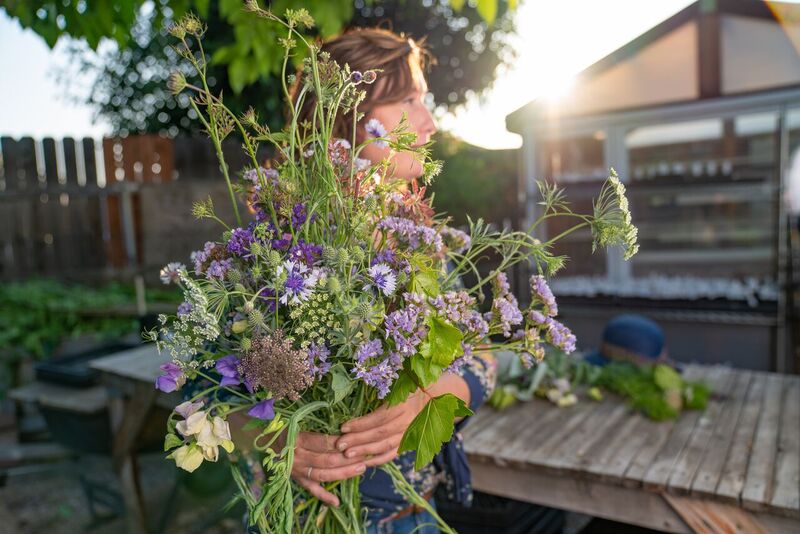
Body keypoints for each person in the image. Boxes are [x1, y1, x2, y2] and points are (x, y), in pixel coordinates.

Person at [220, 27, 497, 534]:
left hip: (413, 516)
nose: (430, 124)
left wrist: (434, 395)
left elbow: (485, 357)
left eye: (424, 101)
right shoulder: (274, 243)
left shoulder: (419, 241)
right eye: (408, 102)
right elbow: (208, 391)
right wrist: (272, 437)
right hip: (300, 518)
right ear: (346, 118)